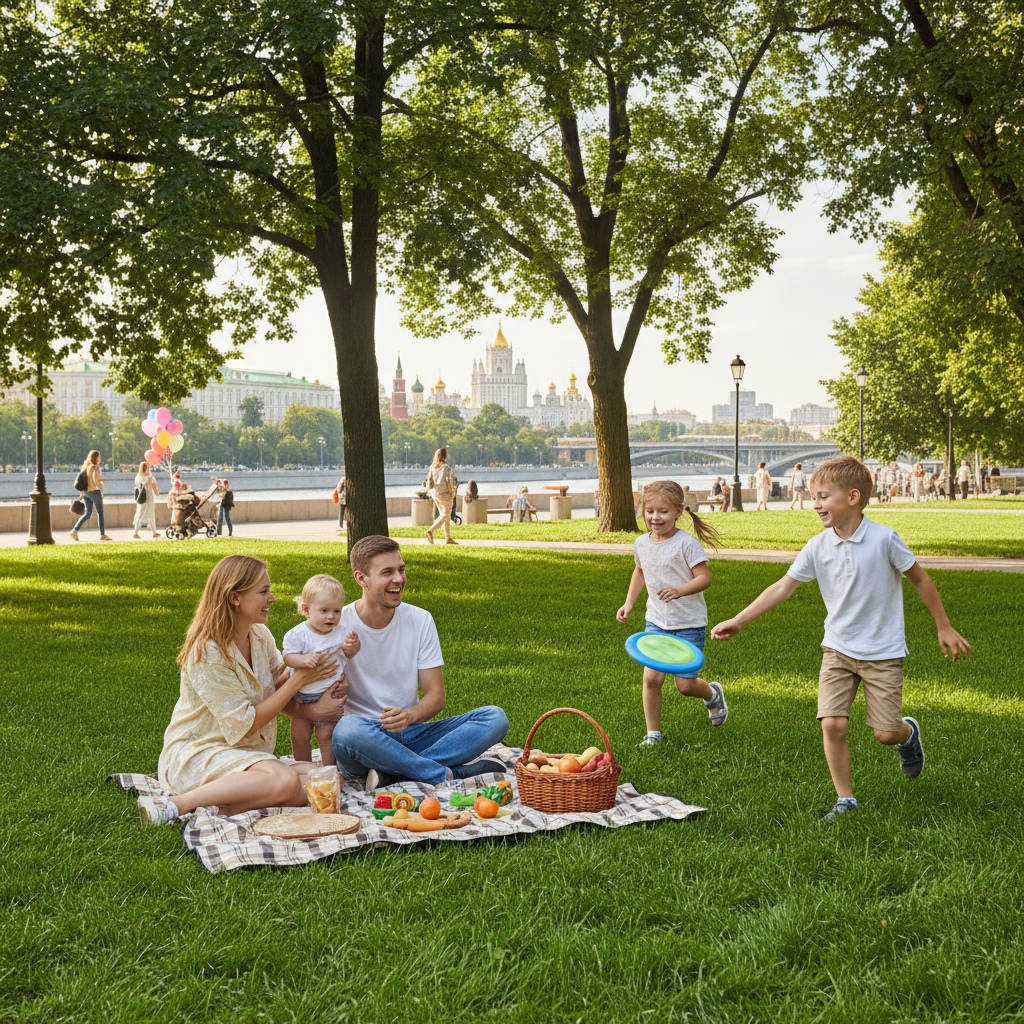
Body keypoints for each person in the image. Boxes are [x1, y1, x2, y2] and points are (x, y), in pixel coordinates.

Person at [710, 456, 971, 821]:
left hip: (882, 651)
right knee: (832, 723)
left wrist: (943, 625)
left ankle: (907, 734)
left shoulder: (884, 539)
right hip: (838, 648)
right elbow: (783, 587)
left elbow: (920, 580)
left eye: (822, 496)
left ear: (852, 497)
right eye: (813, 497)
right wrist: (739, 620)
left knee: (884, 733)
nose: (815, 504)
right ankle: (845, 800)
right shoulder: (817, 546)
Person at [138, 555, 345, 824]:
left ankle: (224, 810)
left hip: (247, 754)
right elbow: (246, 723)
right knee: (285, 780)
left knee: (329, 778)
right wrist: (300, 679)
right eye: (263, 592)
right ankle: (176, 805)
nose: (273, 598)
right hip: (200, 752)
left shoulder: (259, 635)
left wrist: (319, 690)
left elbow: (276, 694)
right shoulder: (207, 652)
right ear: (235, 597)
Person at [330, 535, 510, 789]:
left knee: (495, 717)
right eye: (387, 572)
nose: (399, 579)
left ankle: (394, 775)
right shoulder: (338, 624)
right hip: (366, 741)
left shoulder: (420, 619)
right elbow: (309, 690)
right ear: (362, 579)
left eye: (401, 570)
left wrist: (409, 715)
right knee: (347, 729)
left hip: (412, 732)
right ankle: (447, 774)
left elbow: (436, 696)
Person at [615, 480, 728, 747]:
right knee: (651, 678)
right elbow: (640, 571)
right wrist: (629, 603)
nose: (655, 517)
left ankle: (712, 694)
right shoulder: (641, 543)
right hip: (656, 620)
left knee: (685, 686)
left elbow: (704, 578)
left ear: (679, 511)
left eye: (663, 511)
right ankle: (652, 734)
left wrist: (679, 590)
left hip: (688, 623)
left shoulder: (686, 544)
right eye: (650, 511)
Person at [283, 574, 361, 766]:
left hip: (330, 693)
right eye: (324, 610)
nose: (331, 616)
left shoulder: (341, 632)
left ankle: (329, 770)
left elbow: (348, 655)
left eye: (337, 611)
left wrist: (352, 647)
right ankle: (304, 769)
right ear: (306, 609)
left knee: (326, 736)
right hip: (301, 695)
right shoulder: (298, 635)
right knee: (299, 735)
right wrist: (302, 659)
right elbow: (288, 657)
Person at [69, 449, 112, 542]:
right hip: (94, 492)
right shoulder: (95, 467)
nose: (100, 459)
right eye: (99, 457)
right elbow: (95, 479)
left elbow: (84, 482)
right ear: (96, 458)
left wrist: (81, 495)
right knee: (100, 513)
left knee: (87, 514)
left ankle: (75, 530)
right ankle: (102, 534)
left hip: (86, 493)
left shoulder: (87, 467)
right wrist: (100, 483)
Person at [424, 447, 457, 545]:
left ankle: (448, 539)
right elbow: (450, 483)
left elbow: (429, 484)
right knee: (445, 515)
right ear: (445, 456)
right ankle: (430, 531)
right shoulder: (446, 468)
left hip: (436, 494)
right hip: (445, 494)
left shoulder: (432, 468)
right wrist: (452, 493)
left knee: (445, 516)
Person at [132, 462, 162, 539]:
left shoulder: (138, 477)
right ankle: (154, 532)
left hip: (141, 498)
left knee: (139, 514)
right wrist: (158, 494)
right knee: (151, 514)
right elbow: (155, 489)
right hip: (149, 498)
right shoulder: (150, 477)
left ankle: (135, 532)